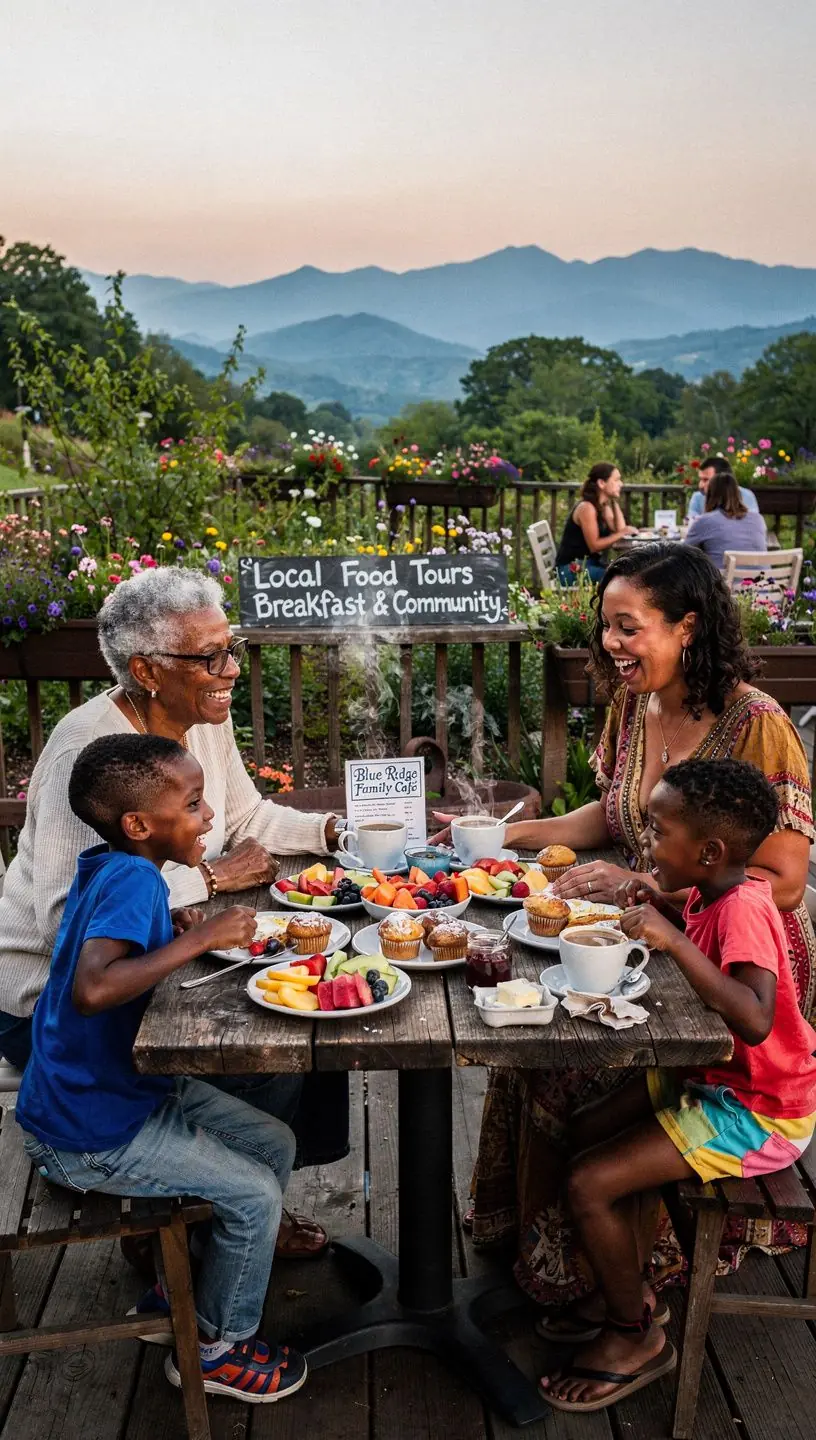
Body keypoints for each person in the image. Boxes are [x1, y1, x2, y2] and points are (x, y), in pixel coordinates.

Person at [440, 543, 815, 1309]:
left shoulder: (758, 724)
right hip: (645, 931)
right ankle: (557, 1253)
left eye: (628, 627)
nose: (610, 644)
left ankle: (623, 1267)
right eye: (605, 626)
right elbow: (611, 815)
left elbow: (782, 882)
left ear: (687, 627)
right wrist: (494, 832)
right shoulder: (633, 703)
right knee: (534, 1039)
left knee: (580, 1061)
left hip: (734, 961)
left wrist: (649, 892)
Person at [0, 565, 344, 1257]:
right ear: (145, 670)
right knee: (265, 1054)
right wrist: (211, 879)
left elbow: (245, 815)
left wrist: (336, 833)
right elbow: (74, 915)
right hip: (49, 1003)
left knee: (303, 1010)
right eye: (209, 656)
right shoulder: (89, 749)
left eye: (230, 648)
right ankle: (187, 1226)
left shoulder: (197, 719)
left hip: (150, 966)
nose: (228, 669)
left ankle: (224, 1210)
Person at [15, 733, 308, 1404]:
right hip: (86, 1131)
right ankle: (215, 1348)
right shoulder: (133, 876)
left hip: (117, 1094)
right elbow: (92, 988)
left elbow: (107, 948)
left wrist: (173, 930)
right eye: (197, 804)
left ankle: (189, 1291)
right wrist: (203, 938)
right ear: (140, 826)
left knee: (273, 1144)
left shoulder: (110, 867)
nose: (209, 818)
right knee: (255, 1195)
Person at [539, 759, 816, 1414]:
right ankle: (626, 1290)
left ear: (710, 850)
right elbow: (695, 924)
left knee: (589, 1183)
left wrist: (673, 940)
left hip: (758, 1110)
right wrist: (661, 901)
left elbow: (752, 1017)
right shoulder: (710, 889)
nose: (646, 845)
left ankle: (634, 1335)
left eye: (660, 833)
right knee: (585, 1131)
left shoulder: (746, 905)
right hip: (713, 1079)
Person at [554, 462, 638, 584]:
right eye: (616, 480)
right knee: (620, 578)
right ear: (601, 483)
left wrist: (614, 501)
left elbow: (620, 529)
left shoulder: (603, 506)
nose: (621, 484)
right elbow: (594, 546)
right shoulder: (587, 508)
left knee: (623, 573)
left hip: (589, 565)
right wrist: (622, 533)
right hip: (570, 570)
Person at [684, 469, 767, 572]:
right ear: (738, 493)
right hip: (763, 585)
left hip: (723, 586)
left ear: (710, 494)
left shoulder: (704, 521)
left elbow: (682, 553)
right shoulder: (758, 519)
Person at [687, 455, 760, 520]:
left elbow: (752, 524)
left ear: (723, 479)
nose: (701, 485)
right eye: (700, 479)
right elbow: (691, 523)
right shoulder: (698, 497)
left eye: (706, 480)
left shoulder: (746, 496)